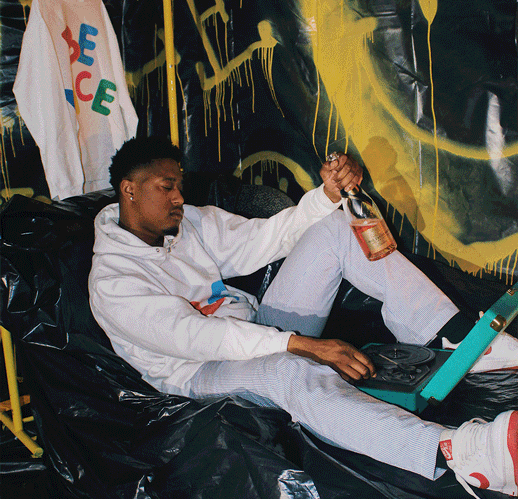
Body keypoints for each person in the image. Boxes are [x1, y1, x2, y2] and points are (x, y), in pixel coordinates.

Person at [89, 136, 518, 497]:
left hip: (252, 330)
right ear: (129, 190)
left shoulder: (188, 224)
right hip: (197, 371)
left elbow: (263, 239)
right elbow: (197, 338)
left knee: (335, 229)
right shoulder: (113, 281)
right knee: (288, 371)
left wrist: (325, 196)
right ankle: (461, 453)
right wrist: (301, 345)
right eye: (167, 187)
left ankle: (459, 341)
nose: (179, 197)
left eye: (179, 185)